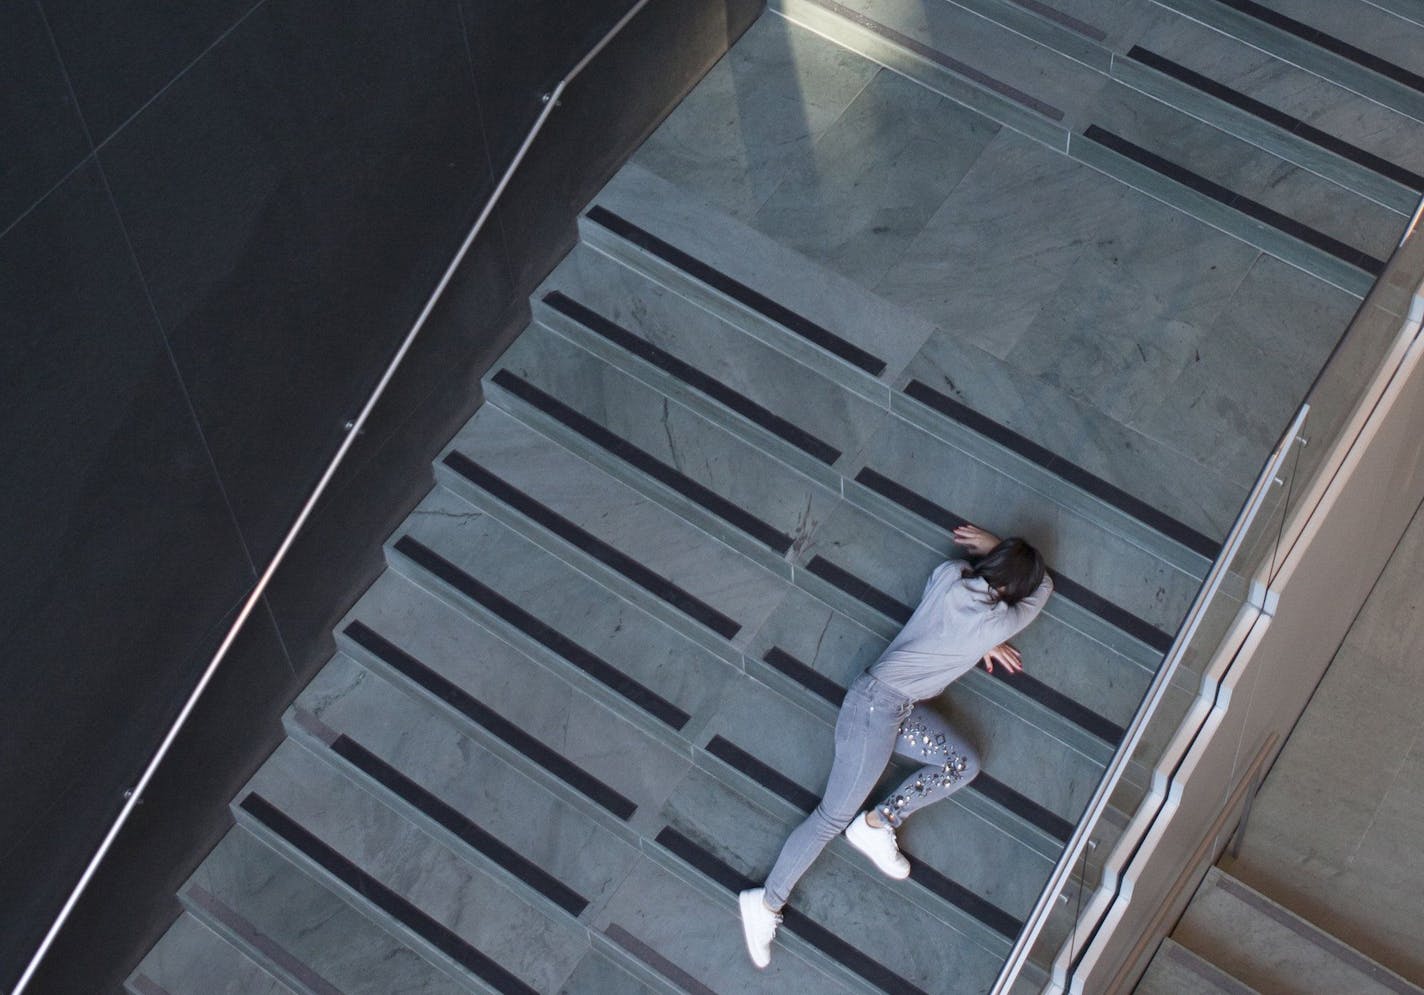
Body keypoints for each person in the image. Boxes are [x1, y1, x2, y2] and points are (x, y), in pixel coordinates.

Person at [739, 523, 1052, 968]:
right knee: (830, 817)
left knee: (962, 763)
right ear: (1012, 591)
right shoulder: (996, 622)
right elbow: (1045, 587)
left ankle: (876, 822)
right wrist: (995, 614)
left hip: (892, 707)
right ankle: (765, 903)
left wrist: (993, 556)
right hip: (875, 713)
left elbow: (970, 603)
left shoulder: (951, 574)